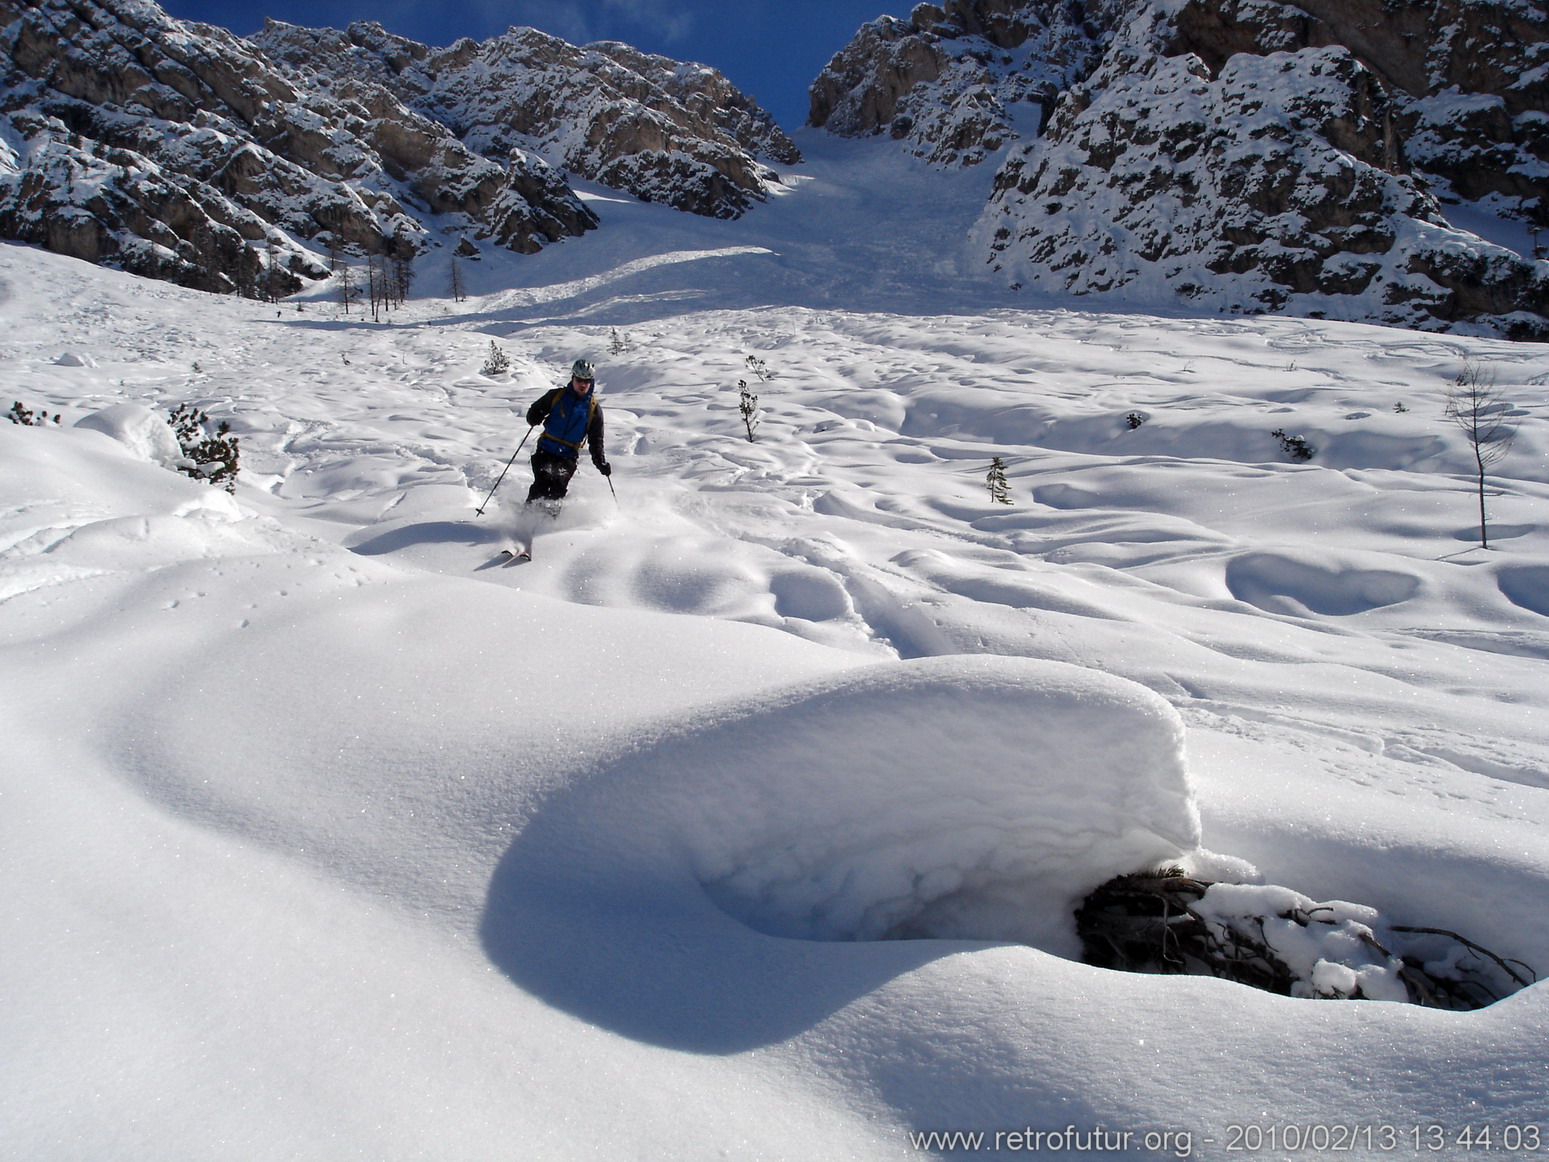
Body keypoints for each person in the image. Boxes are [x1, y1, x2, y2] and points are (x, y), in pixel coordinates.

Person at [524, 357, 611, 505]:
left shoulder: (593, 409)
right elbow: (534, 411)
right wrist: (534, 416)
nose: (582, 384)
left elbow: (596, 438)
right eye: (579, 380)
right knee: (541, 486)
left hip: (568, 455)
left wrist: (600, 461)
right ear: (573, 379)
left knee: (557, 491)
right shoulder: (556, 396)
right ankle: (526, 518)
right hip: (546, 449)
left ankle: (548, 524)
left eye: (587, 381)